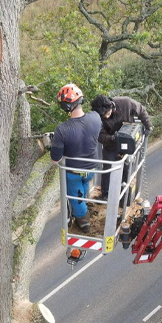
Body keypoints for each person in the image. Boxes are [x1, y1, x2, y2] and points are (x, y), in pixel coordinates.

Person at [50, 84, 102, 231]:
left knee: (76, 198)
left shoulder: (62, 129)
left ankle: (84, 222)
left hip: (74, 173)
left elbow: (55, 159)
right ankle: (83, 206)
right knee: (84, 189)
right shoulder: (96, 117)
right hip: (92, 168)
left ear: (66, 106)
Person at [91, 95, 153, 200]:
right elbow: (100, 136)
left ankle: (124, 194)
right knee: (108, 168)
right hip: (111, 144)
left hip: (127, 144)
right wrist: (113, 139)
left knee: (126, 167)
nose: (106, 117)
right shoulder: (98, 118)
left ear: (110, 106)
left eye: (107, 113)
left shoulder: (125, 103)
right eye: (103, 116)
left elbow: (141, 110)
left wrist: (148, 125)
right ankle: (105, 193)